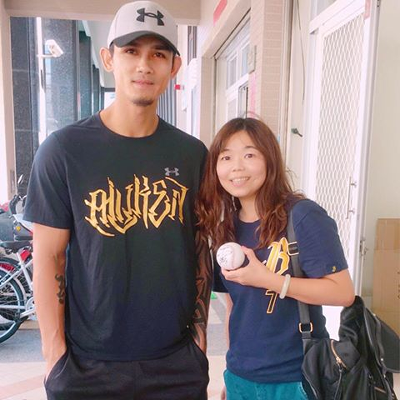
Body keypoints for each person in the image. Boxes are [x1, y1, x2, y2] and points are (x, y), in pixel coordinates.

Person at [24, 2, 211, 399]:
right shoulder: (63, 151)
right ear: (108, 58)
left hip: (176, 363)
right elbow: (48, 256)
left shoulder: (192, 155)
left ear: (174, 67)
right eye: (131, 51)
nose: (144, 65)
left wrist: (199, 340)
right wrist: (54, 353)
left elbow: (199, 247)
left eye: (158, 54)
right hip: (86, 365)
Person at [196, 117, 355, 400]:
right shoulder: (225, 229)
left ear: (269, 160)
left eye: (249, 155)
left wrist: (269, 280)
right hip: (241, 378)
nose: (237, 167)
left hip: (296, 378)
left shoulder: (302, 216)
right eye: (226, 157)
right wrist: (232, 374)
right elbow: (234, 308)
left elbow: (342, 292)